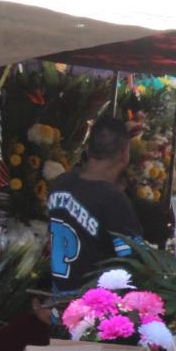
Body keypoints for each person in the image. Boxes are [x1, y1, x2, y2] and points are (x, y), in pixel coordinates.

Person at [47, 115, 141, 293]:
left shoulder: (61, 183)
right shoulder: (113, 199)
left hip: (58, 305)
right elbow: (134, 264)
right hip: (92, 312)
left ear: (88, 149)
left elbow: (50, 245)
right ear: (124, 154)